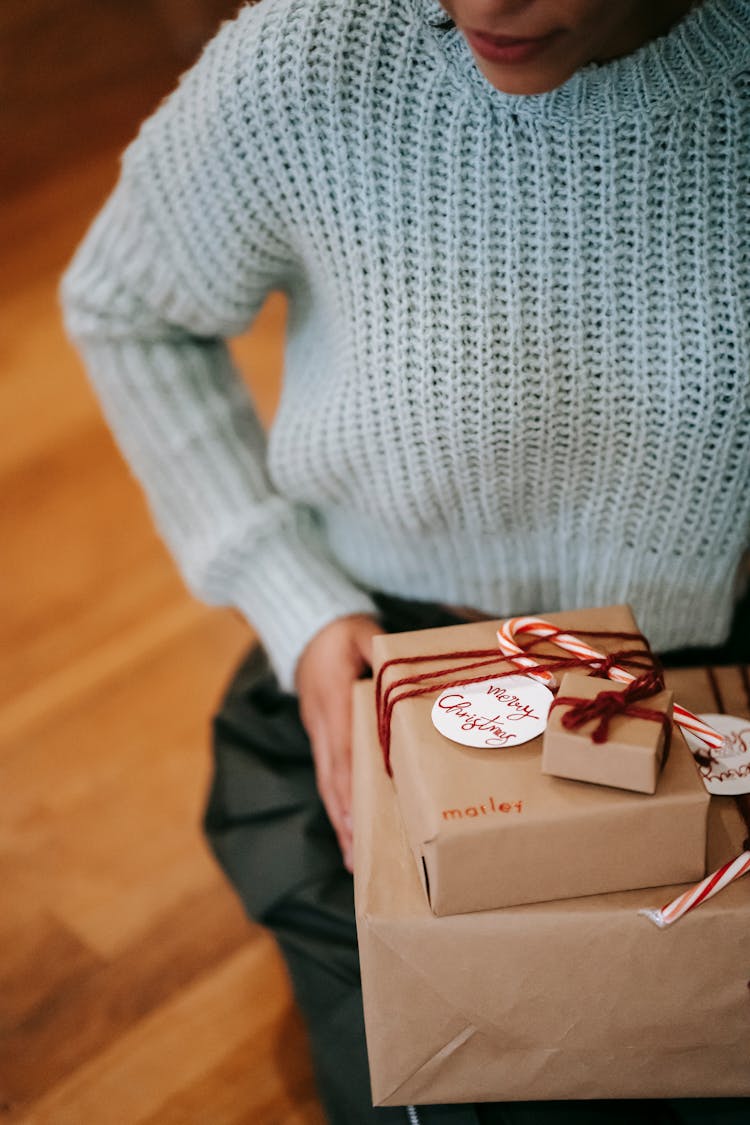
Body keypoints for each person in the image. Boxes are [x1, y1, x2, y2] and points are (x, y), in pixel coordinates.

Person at [62, 0, 750, 1121]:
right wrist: (294, 597)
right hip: (393, 661)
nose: (480, 5)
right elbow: (127, 310)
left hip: (703, 685)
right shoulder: (308, 59)